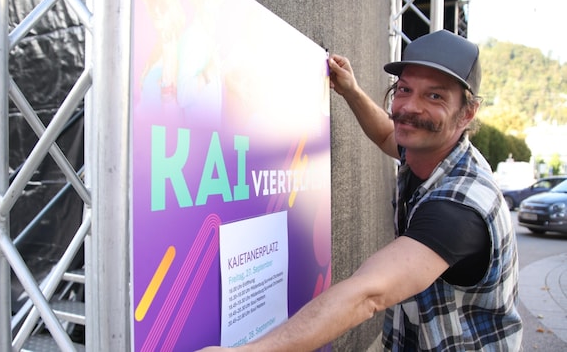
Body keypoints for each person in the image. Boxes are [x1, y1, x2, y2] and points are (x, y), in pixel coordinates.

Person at [198, 30, 522, 351]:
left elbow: (367, 295)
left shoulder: (458, 209)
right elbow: (386, 136)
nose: (410, 107)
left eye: (434, 96)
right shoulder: (432, 150)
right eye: (405, 89)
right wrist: (351, 91)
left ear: (467, 112)